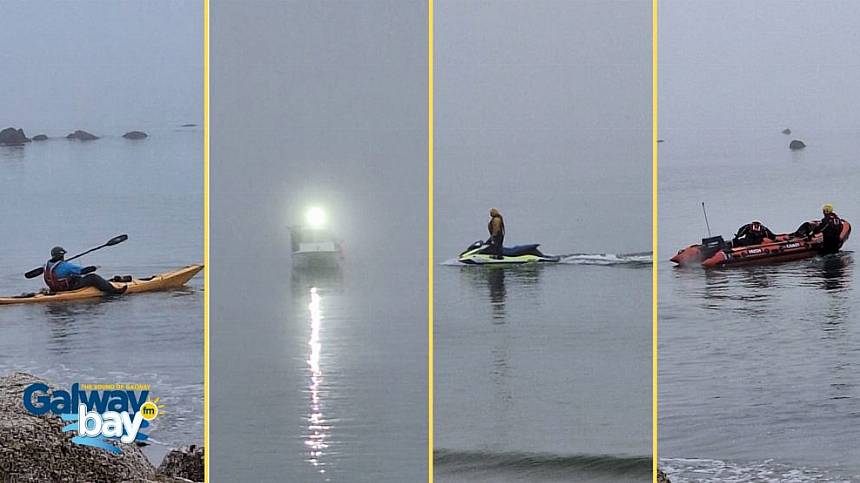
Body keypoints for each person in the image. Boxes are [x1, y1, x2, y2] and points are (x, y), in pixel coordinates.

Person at [44, 246, 127, 295]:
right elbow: (83, 271)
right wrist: (94, 268)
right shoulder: (66, 266)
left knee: (75, 276)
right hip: (67, 288)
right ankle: (114, 291)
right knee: (93, 277)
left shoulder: (47, 265)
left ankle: (105, 283)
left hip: (54, 288)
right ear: (62, 255)